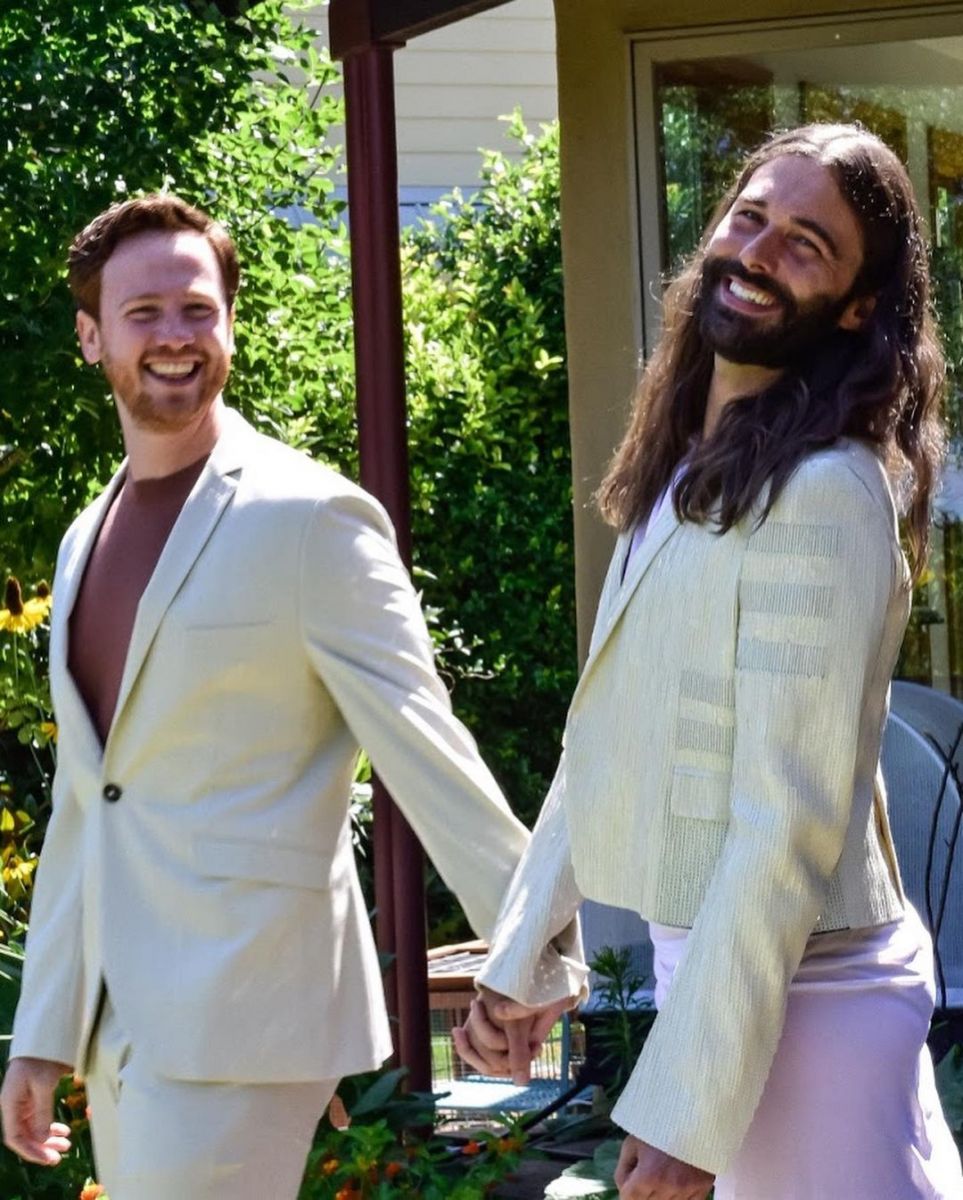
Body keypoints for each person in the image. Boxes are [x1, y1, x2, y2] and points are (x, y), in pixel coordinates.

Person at [0, 194, 553, 1199]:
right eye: (143, 313)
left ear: (230, 324)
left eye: (197, 308)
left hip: (250, 1005)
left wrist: (534, 955)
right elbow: (89, 804)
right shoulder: (86, 538)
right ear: (90, 336)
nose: (175, 335)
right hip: (127, 1023)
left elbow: (428, 750)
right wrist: (43, 1033)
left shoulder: (311, 518)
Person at [454, 123, 963, 1199]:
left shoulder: (825, 492)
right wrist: (522, 956)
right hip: (726, 985)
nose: (761, 250)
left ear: (862, 307)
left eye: (808, 244)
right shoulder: (689, 466)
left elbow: (786, 820)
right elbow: (606, 740)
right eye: (750, 217)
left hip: (815, 1010)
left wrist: (688, 1110)